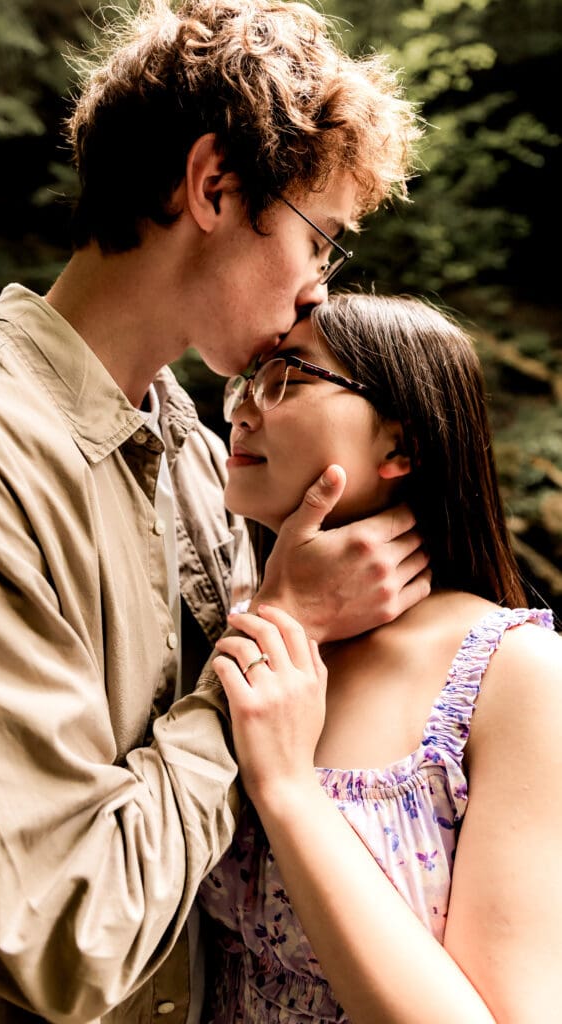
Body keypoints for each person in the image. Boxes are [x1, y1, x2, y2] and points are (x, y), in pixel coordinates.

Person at [0, 3, 429, 1023]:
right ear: (213, 186)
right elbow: (69, 939)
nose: (317, 294)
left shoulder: (193, 450)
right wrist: (278, 636)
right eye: (321, 239)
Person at [202, 292, 562, 1023]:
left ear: (401, 445)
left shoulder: (511, 672)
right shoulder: (235, 631)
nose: (242, 409)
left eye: (287, 379)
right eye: (247, 381)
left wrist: (287, 787)